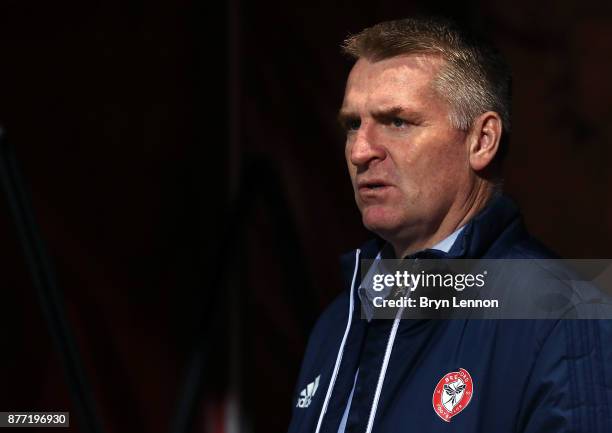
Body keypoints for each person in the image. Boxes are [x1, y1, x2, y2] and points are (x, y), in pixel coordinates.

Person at [287, 17, 612, 433]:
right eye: (353, 124)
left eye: (397, 122)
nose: (361, 150)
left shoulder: (566, 318)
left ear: (481, 141)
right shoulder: (340, 320)